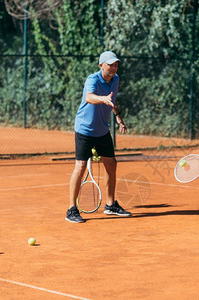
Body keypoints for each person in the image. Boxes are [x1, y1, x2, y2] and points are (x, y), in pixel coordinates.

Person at [66, 51, 131, 223]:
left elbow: (113, 100)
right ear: (101, 65)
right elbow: (89, 97)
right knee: (79, 167)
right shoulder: (92, 80)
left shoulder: (115, 80)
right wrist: (101, 98)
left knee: (111, 164)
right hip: (85, 129)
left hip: (102, 130)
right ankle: (72, 209)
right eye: (110, 64)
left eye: (116, 64)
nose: (114, 68)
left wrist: (118, 117)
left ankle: (110, 205)